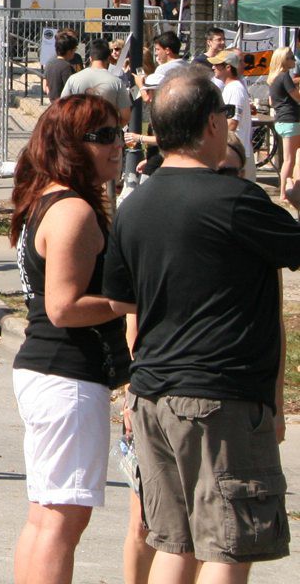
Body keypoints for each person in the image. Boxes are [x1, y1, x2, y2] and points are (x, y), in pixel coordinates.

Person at [103, 65, 300, 576]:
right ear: (211, 125)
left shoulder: (134, 206)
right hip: (219, 400)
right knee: (229, 546)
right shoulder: (236, 201)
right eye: (226, 117)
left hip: (154, 396)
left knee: (176, 542)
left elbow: (124, 303)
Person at [6, 96, 133, 584]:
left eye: (117, 133)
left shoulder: (51, 200)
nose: (116, 145)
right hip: (67, 375)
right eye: (102, 136)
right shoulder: (72, 209)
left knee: (47, 515)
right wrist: (127, 302)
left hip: (54, 373)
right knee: (61, 519)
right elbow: (62, 307)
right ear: (68, 145)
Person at [63, 38, 131, 121]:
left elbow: (63, 108)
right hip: (106, 129)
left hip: (80, 128)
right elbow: (126, 116)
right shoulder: (117, 82)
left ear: (91, 58)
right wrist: (114, 127)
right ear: (109, 58)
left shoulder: (73, 79)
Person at [210, 51, 254, 179]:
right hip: (234, 152)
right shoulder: (231, 88)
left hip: (236, 154)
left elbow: (232, 123)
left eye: (217, 64)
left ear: (228, 67)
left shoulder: (234, 89)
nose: (213, 67)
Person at [268, 46, 300, 207]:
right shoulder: (284, 76)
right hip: (291, 121)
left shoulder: (274, 78)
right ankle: (284, 193)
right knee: (290, 160)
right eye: (291, 57)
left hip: (282, 120)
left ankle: (289, 189)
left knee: (289, 158)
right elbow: (297, 97)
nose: (294, 59)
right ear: (284, 60)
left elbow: (271, 102)